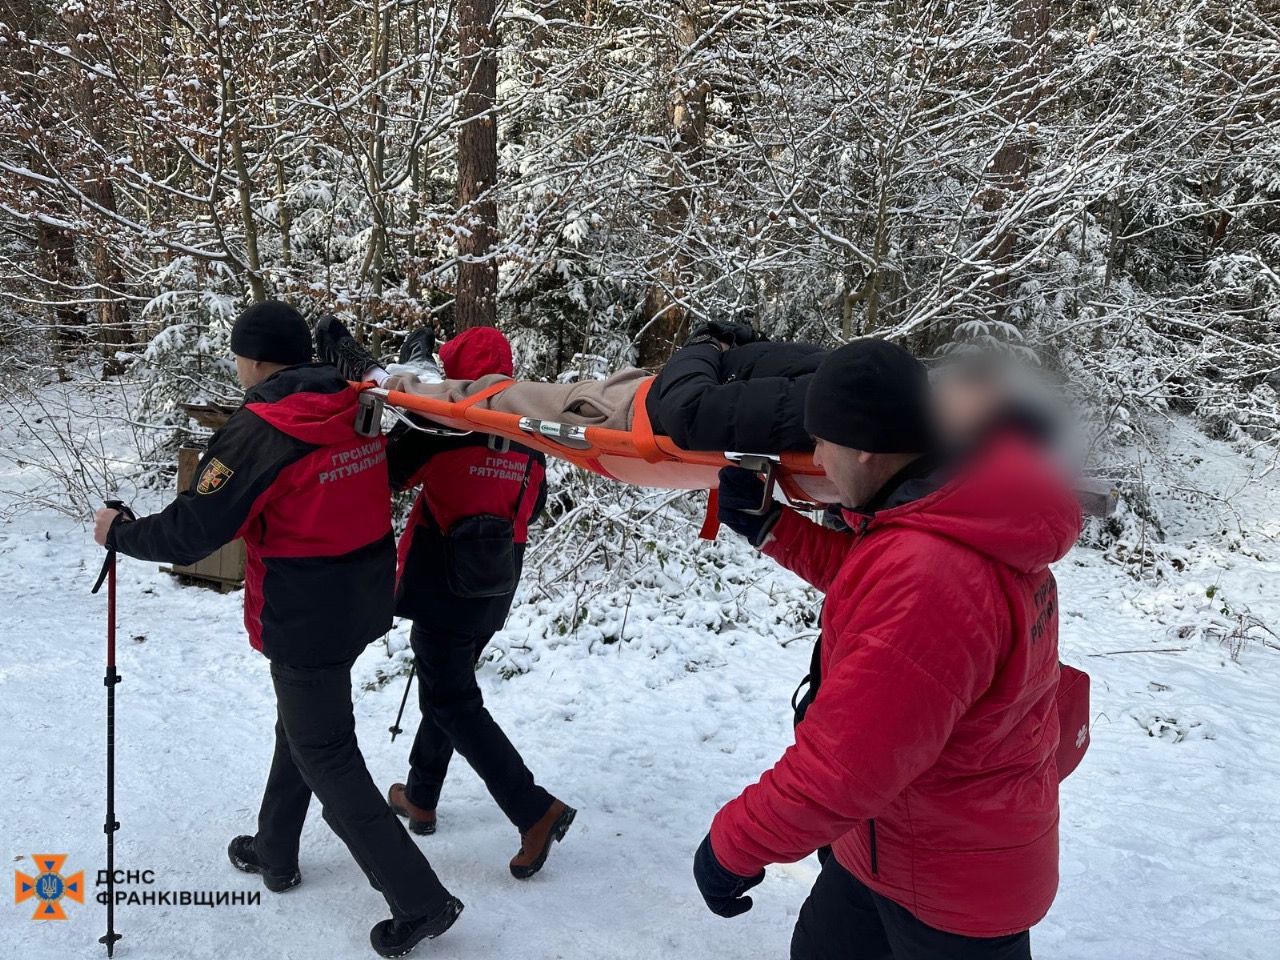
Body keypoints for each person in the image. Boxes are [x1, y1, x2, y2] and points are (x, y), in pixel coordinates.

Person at [92, 301, 462, 959]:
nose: (238, 367)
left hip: (303, 613)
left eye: (239, 356)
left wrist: (122, 535)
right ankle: (275, 850)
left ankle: (420, 900)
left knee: (326, 753)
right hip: (360, 596)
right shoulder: (357, 399)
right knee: (304, 726)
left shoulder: (261, 428)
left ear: (258, 359)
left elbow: (198, 529)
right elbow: (394, 462)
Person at [690, 339, 1083, 959]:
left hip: (954, 887)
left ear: (867, 447)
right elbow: (878, 583)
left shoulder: (935, 572)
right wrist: (770, 528)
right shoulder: (950, 507)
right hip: (886, 845)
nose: (815, 457)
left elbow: (844, 768)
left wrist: (730, 846)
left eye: (822, 441)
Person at [380, 325, 577, 879]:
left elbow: (389, 473)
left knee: (450, 701)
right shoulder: (529, 429)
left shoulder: (445, 423)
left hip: (441, 581)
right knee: (448, 690)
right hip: (495, 584)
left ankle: (534, 809)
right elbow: (533, 508)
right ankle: (420, 796)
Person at [315, 314, 824, 454]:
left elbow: (690, 412)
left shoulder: (841, 399)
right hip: (637, 398)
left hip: (629, 411)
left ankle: (388, 378)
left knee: (495, 396)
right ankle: (420, 376)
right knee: (496, 393)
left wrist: (707, 346)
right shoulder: (855, 391)